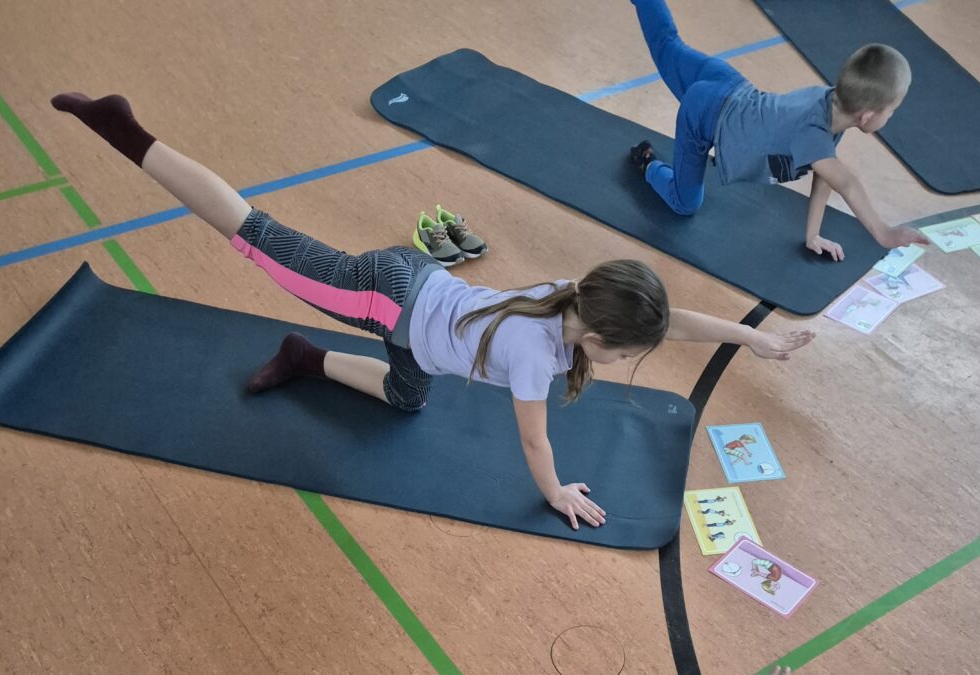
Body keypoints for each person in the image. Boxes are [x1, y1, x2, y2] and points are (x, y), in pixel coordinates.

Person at [51, 92, 815, 530]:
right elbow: (536, 442)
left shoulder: (575, 296)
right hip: (384, 297)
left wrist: (758, 340)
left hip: (423, 316)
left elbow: (671, 319)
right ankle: (128, 132)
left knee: (405, 398)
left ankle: (304, 357)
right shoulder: (531, 355)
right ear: (603, 335)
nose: (624, 359)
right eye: (625, 352)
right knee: (253, 234)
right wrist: (556, 493)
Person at [628, 0, 928, 259]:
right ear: (866, 116)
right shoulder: (814, 133)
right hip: (702, 116)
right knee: (684, 204)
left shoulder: (835, 102)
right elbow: (845, 182)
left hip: (726, 82)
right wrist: (884, 234)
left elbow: (828, 172)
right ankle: (648, 162)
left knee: (668, 43)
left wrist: (813, 236)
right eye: (892, 111)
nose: (891, 116)